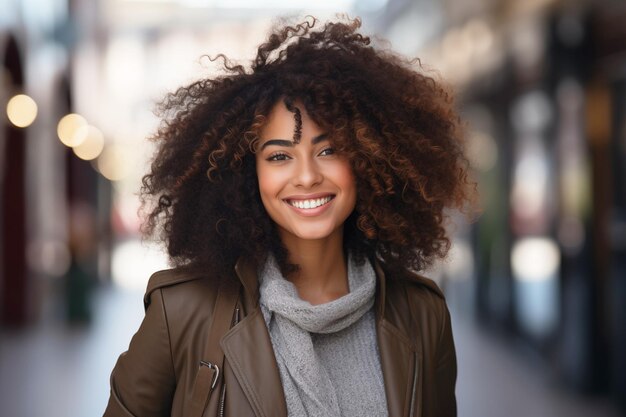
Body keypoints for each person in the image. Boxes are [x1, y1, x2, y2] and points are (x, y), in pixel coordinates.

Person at [104, 16, 474, 417]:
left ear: (368, 158)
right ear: (247, 175)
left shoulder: (422, 314)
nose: (307, 176)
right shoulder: (181, 314)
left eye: (329, 150)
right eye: (279, 156)